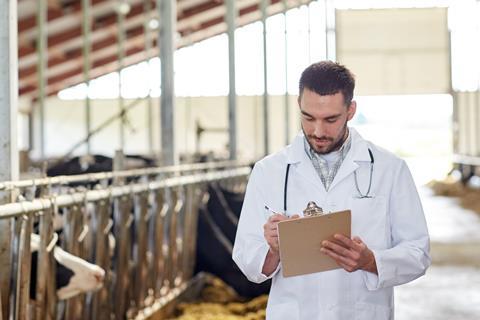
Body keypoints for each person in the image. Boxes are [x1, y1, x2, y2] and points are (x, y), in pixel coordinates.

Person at [232, 61, 431, 319]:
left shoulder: (389, 169)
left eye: (330, 119)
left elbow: (418, 252)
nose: (318, 131)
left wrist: (371, 261)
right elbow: (247, 260)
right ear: (299, 106)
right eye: (308, 117)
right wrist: (274, 251)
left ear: (350, 110)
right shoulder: (269, 171)